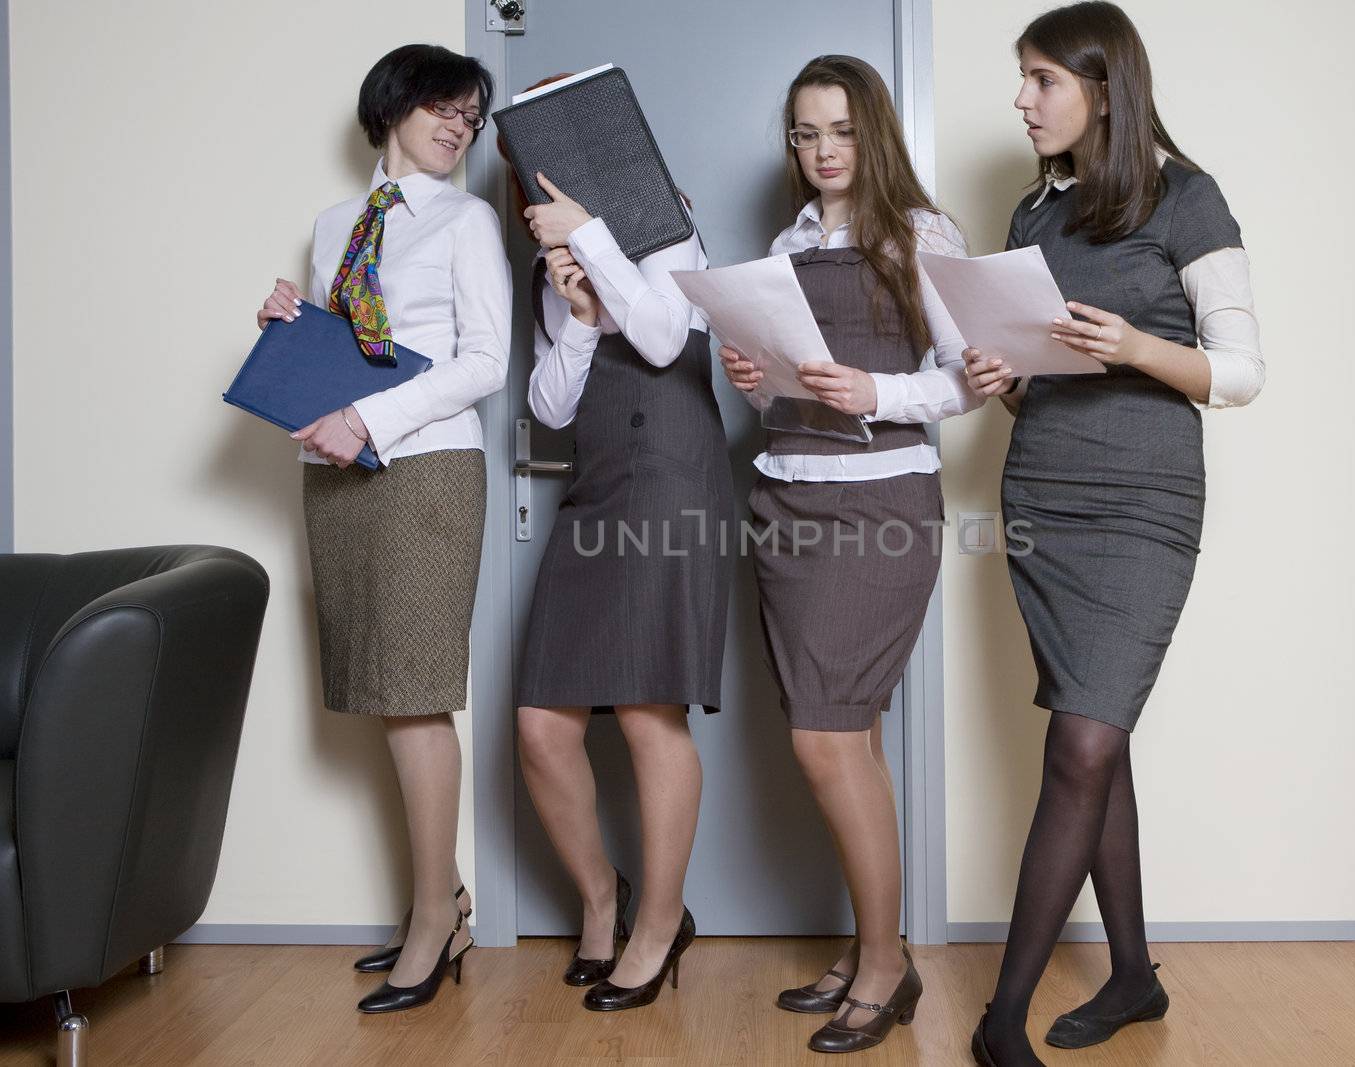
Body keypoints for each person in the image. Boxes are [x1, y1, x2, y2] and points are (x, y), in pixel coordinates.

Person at [960, 4, 1265, 1063]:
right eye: (1021, 78)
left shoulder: (1187, 196)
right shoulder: (1028, 221)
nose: (1022, 99)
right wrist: (998, 379)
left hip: (1142, 502)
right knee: (1101, 739)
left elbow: (1240, 372)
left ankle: (1000, 1018)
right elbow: (1024, 389)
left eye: (1041, 79)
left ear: (1102, 87)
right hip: (1042, 495)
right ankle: (1132, 975)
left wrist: (1136, 342)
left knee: (1081, 739)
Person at [719, 53, 982, 1055]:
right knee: (847, 739)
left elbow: (967, 377)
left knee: (825, 742)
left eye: (837, 130)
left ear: (873, 132)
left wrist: (880, 395)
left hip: (879, 504)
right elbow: (778, 386)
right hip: (785, 493)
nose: (820, 151)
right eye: (802, 133)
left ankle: (885, 964)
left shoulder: (924, 235)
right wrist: (752, 378)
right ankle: (872, 943)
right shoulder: (784, 240)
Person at [254, 44, 511, 1014]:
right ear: (392, 107)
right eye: (443, 106)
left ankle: (432, 922)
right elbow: (343, 344)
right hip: (338, 471)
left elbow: (485, 359)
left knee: (415, 694)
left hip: (427, 466)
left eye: (471, 116)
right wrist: (290, 318)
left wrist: (375, 417)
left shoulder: (467, 219)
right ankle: (440, 896)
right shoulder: (334, 224)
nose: (459, 126)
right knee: (380, 687)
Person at [508, 76, 735, 1013]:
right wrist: (575, 316)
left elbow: (662, 335)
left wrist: (594, 250)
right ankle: (603, 898)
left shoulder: (666, 224)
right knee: (541, 723)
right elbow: (549, 407)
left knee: (649, 713)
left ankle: (659, 925)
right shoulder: (547, 269)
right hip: (595, 489)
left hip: (672, 478)